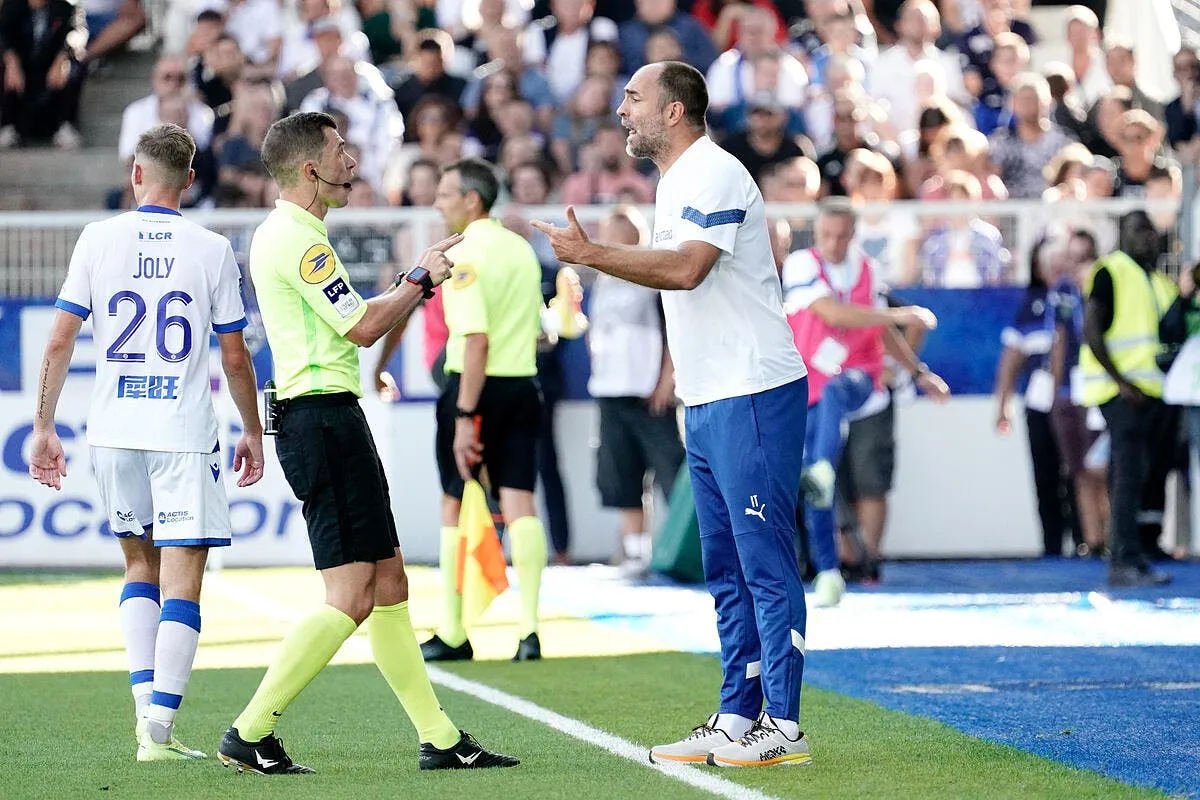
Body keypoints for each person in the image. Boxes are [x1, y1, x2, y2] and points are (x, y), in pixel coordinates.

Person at [217, 112, 518, 774]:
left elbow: (352, 322)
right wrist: (419, 279)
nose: (353, 160)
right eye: (340, 150)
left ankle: (438, 739)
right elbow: (358, 327)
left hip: (325, 417)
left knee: (389, 584)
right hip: (321, 422)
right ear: (311, 169)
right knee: (351, 595)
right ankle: (250, 728)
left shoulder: (292, 233)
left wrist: (412, 285)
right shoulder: (302, 241)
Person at [533, 60, 812, 767]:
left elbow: (689, 268)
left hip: (751, 389)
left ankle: (784, 725)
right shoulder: (678, 180)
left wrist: (593, 254)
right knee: (724, 566)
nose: (621, 110)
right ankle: (735, 714)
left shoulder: (711, 172)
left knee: (764, 564)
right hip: (712, 394)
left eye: (633, 98)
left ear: (675, 112)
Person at [28, 123, 264, 761]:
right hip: (182, 435)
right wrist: (251, 429)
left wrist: (44, 426)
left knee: (139, 567)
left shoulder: (97, 238)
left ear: (136, 174)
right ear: (191, 179)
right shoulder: (211, 247)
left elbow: (59, 340)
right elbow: (235, 358)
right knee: (185, 577)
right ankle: (160, 727)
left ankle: (145, 721)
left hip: (113, 432)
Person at [781, 198, 947, 607]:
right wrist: (898, 315)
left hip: (855, 378)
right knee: (818, 484)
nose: (834, 244)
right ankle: (828, 573)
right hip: (808, 383)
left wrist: (918, 371)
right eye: (826, 236)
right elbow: (836, 315)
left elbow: (879, 330)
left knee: (829, 457)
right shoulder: (801, 264)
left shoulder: (868, 270)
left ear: (854, 235)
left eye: (841, 236)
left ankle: (828, 480)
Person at [420, 158, 548, 664]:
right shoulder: (521, 249)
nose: (437, 202)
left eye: (446, 193)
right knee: (520, 504)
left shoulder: (462, 256)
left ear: (472, 199)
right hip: (523, 383)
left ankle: (453, 631)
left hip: (475, 389)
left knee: (454, 502)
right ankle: (530, 630)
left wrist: (464, 416)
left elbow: (474, 341)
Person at [1078, 211, 1178, 587]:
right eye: (1139, 230)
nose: (1148, 237)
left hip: (1152, 393)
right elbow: (1092, 327)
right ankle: (1123, 560)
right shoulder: (1111, 271)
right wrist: (1119, 381)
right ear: (1121, 235)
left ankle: (1138, 552)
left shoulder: (1158, 282)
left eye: (1151, 230)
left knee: (1141, 474)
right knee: (1128, 474)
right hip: (1122, 393)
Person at [587, 205, 685, 573]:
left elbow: (672, 331)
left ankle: (685, 549)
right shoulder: (601, 279)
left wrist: (666, 379)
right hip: (610, 391)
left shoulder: (651, 275)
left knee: (672, 473)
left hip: (649, 394)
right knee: (621, 476)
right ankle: (634, 553)